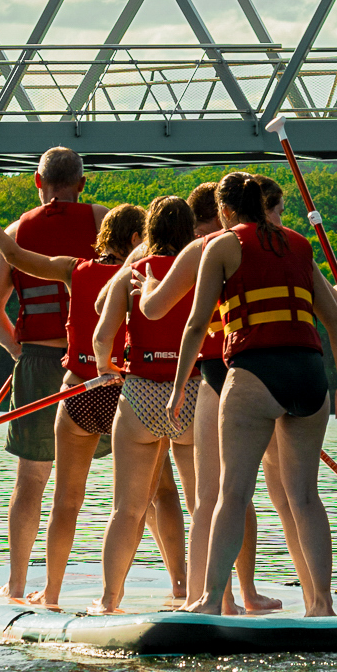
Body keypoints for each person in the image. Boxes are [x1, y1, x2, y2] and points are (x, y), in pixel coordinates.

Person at [139, 179, 337, 609]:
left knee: (233, 494)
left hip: (256, 371)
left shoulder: (221, 246)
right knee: (305, 497)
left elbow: (196, 325)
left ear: (224, 212)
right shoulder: (298, 244)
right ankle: (323, 605)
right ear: (262, 205)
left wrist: (179, 387)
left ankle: (210, 599)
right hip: (311, 374)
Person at [0, 188, 145, 609]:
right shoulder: (127, 245)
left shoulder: (42, 247)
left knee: (42, 486)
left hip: (55, 371)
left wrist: (18, 352)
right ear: (79, 184)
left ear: (40, 181)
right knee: (142, 492)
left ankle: (28, 586)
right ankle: (168, 587)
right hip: (122, 381)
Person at [90, 195, 202, 613]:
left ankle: (108, 599)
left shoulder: (131, 273)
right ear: (191, 232)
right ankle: (199, 597)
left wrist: (107, 369)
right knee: (201, 507)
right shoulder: (202, 268)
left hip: (139, 395)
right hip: (190, 395)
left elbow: (102, 337)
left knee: (127, 510)